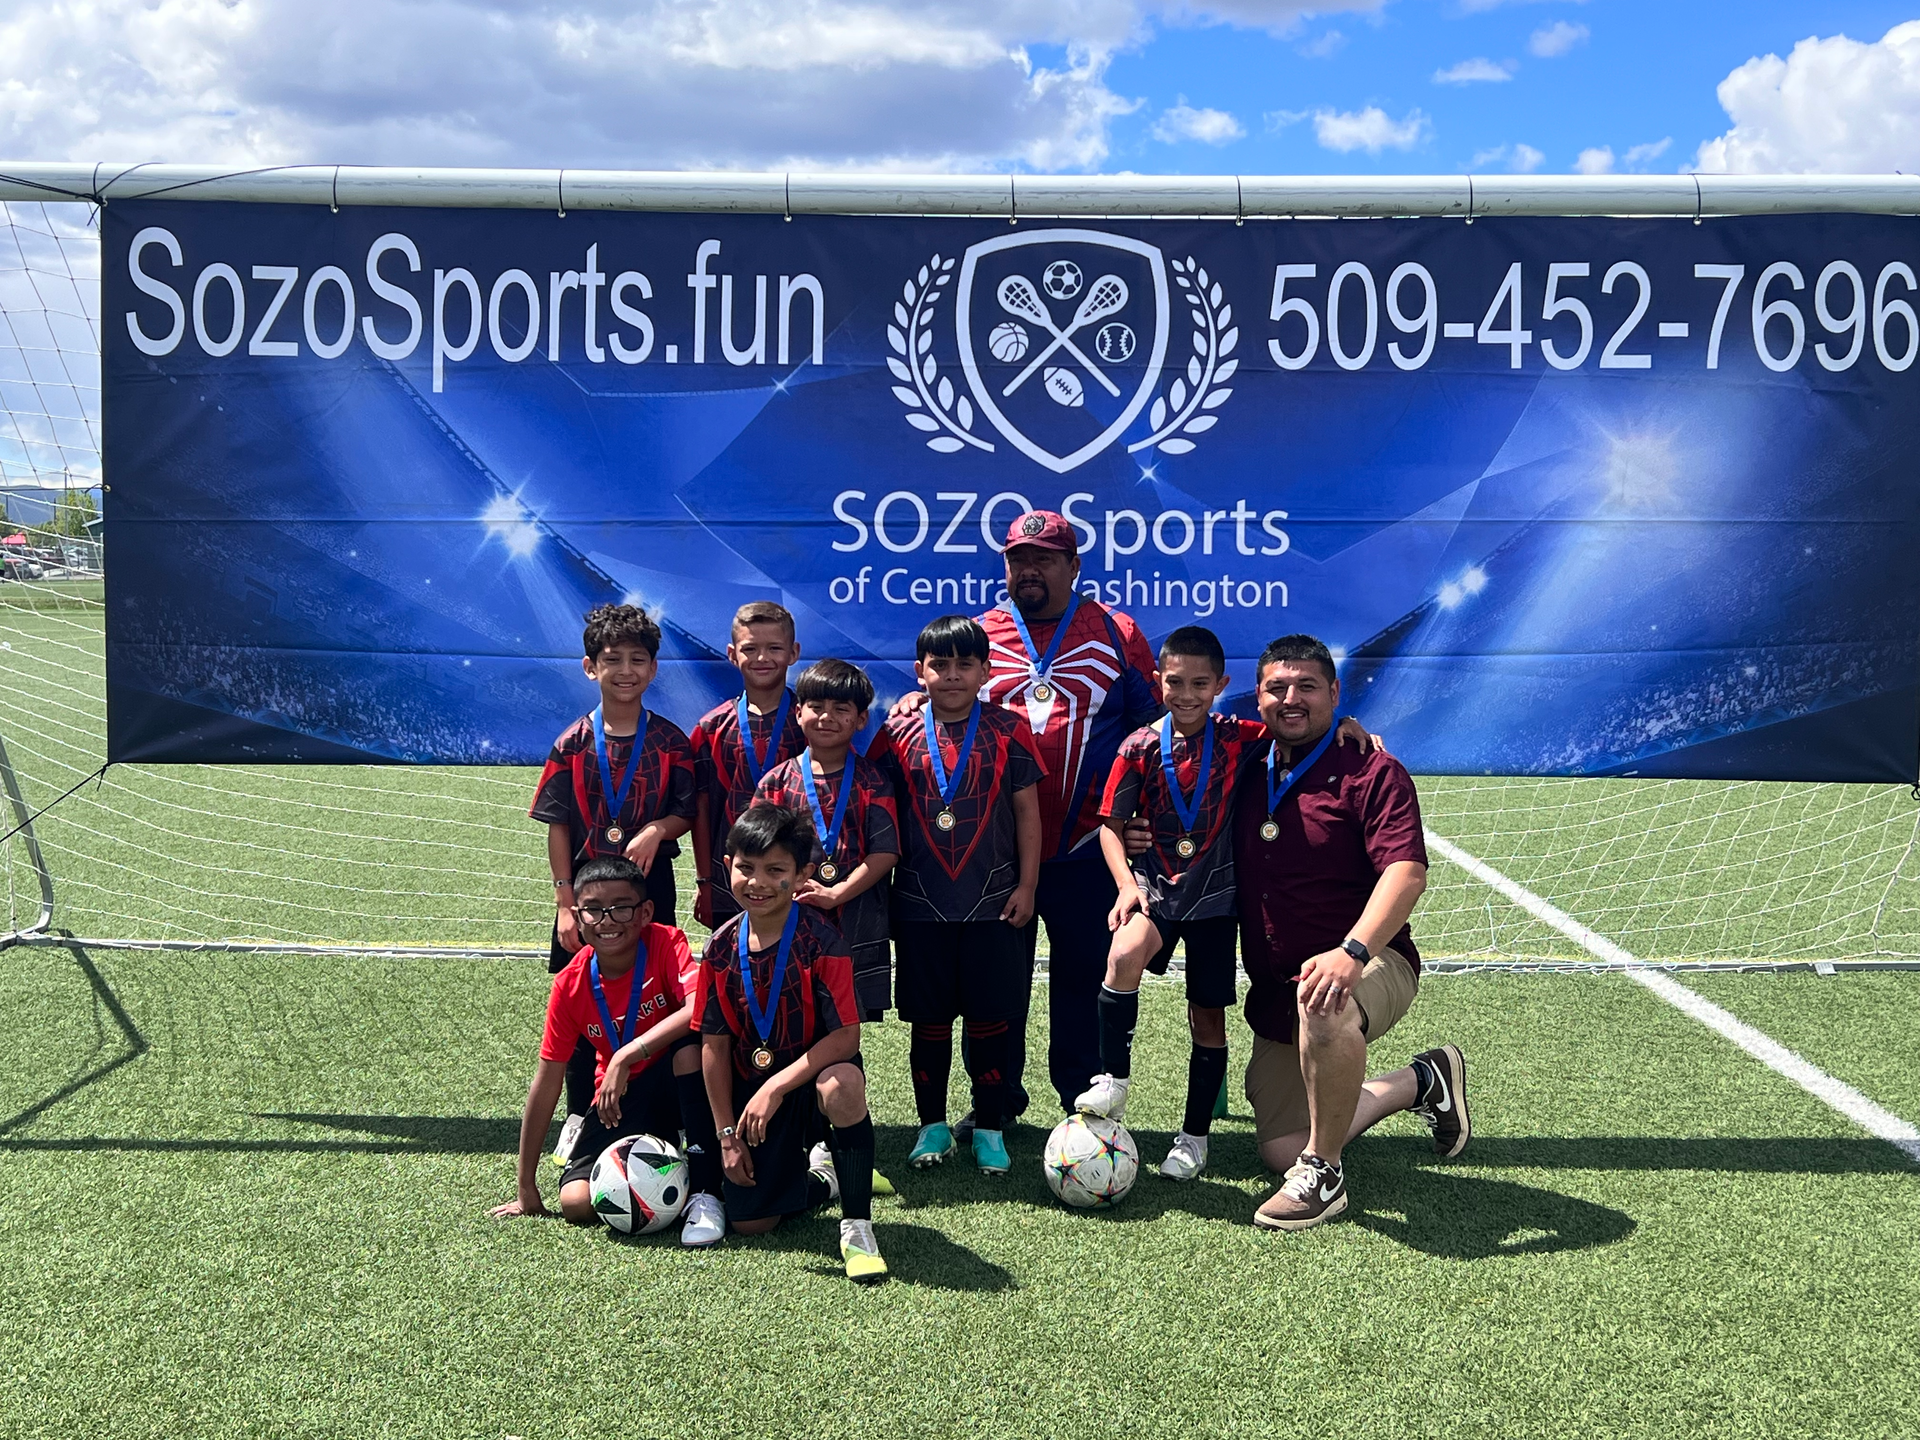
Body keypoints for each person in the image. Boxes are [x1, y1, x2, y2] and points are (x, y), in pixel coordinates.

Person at [890, 510, 1159, 1123]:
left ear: (1074, 566)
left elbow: (1156, 730)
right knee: (996, 987)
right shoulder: (980, 635)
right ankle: (997, 1103)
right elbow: (945, 704)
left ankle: (1082, 1103)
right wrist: (914, 699)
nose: (1029, 570)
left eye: (1044, 559)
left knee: (1083, 976)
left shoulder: (1116, 631)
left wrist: (1145, 814)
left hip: (1087, 845)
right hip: (998, 852)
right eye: (1018, 559)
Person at [1085, 627, 1379, 1180]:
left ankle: (1194, 1138)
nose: (1187, 694)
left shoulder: (1242, 737)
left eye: (1200, 684)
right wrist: (1126, 884)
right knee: (1123, 954)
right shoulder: (1138, 746)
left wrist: (1347, 724)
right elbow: (1110, 827)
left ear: (1220, 685)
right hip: (1155, 891)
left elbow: (1297, 730)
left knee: (1208, 1020)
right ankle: (1113, 1081)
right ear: (1158, 681)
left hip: (1216, 903)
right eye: (1175, 683)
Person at [1230, 634, 1470, 1232]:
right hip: (1278, 987)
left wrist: (1352, 951)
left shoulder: (1372, 770)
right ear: (1257, 699)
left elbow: (1407, 873)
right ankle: (1421, 1081)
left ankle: (1325, 1174)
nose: (1291, 699)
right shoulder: (1243, 762)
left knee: (1325, 1000)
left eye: (1307, 687)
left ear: (1335, 693)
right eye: (1277, 688)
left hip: (1372, 960)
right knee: (1280, 1150)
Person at [869, 615, 1043, 1176]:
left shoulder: (1009, 728)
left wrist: (1028, 885)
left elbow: (1027, 812)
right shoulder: (896, 732)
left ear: (986, 671)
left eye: (964, 665)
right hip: (919, 903)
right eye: (939, 665)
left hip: (995, 901)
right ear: (919, 671)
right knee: (929, 1021)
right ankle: (932, 1126)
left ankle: (989, 1126)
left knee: (991, 1020)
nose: (951, 675)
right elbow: (875, 813)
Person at [529, 604, 695, 1168]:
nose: (625, 670)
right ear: (589, 667)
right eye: (612, 659)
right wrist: (564, 904)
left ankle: (662, 1113)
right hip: (587, 899)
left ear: (653, 668)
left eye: (637, 659)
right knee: (584, 1005)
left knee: (659, 999)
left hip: (649, 893)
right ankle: (580, 1115)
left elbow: (687, 810)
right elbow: (557, 825)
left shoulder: (670, 741)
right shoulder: (572, 742)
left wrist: (658, 829)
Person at [490, 856, 725, 1247]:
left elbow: (696, 1008)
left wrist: (625, 1055)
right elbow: (547, 1080)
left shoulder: (666, 942)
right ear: (577, 917)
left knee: (689, 1050)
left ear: (645, 912)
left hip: (673, 1082)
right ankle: (674, 1168)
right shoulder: (570, 984)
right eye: (593, 910)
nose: (607, 920)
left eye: (621, 908)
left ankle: (704, 1186)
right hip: (618, 1098)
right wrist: (526, 1185)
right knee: (576, 1204)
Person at [698, 802, 886, 1281]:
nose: (757, 882)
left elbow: (846, 1037)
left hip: (807, 1081)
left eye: (775, 870)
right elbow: (713, 1047)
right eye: (746, 868)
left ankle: (858, 1227)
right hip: (753, 1091)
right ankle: (827, 1179)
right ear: (727, 866)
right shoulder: (719, 948)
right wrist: (726, 1136)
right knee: (752, 1223)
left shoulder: (824, 941)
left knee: (842, 1084)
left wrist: (776, 1087)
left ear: (802, 874)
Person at [752, 658, 900, 1020]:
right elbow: (756, 853)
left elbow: (886, 852)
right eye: (816, 706)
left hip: (857, 919)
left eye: (841, 709)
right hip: (788, 916)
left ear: (861, 719)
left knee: (847, 1023)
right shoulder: (775, 783)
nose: (826, 717)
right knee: (789, 1014)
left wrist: (837, 893)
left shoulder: (873, 781)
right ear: (799, 713)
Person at [690, 600, 806, 931]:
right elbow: (701, 810)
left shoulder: (811, 721)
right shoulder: (710, 728)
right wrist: (704, 880)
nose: (762, 658)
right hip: (732, 880)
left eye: (774, 648)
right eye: (750, 649)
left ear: (793, 653)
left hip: (797, 879)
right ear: (732, 654)